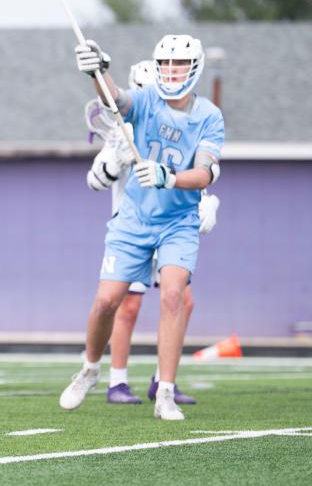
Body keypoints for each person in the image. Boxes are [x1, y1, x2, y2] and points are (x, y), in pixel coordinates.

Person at [61, 34, 224, 421]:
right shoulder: (148, 99)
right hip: (134, 217)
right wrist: (97, 70)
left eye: (178, 64)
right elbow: (115, 100)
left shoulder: (209, 115)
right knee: (107, 302)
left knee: (173, 297)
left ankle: (164, 391)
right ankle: (90, 369)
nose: (170, 71)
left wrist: (169, 176)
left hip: (177, 221)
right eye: (165, 64)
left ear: (194, 67)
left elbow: (205, 173)